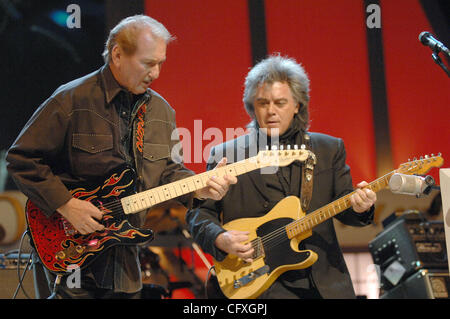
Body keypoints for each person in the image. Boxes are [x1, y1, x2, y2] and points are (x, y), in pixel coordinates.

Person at [6, 15, 236, 299]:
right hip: (69, 255)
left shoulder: (163, 112)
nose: (156, 73)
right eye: (148, 63)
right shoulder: (71, 100)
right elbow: (21, 159)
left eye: (160, 63)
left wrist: (200, 186)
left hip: (125, 260)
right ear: (117, 54)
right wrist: (65, 204)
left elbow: (168, 172)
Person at [186, 54, 377, 299]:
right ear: (252, 106)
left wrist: (361, 207)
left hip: (322, 284)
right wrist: (220, 238)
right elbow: (199, 213)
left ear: (297, 105)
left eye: (280, 102)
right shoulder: (227, 154)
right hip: (257, 284)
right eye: (263, 103)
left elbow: (345, 207)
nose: (271, 111)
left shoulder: (328, 149)